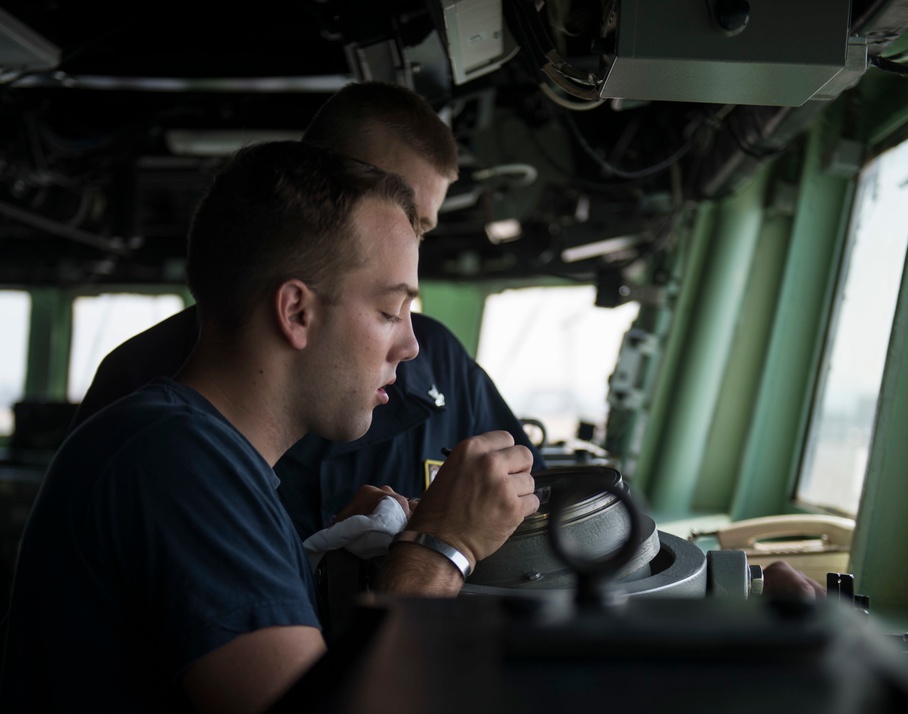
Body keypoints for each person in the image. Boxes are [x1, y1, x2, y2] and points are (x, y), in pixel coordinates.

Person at [0, 142, 539, 712]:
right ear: (296, 312)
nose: (409, 346)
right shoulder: (178, 464)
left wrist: (319, 560)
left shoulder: (203, 458)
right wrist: (440, 549)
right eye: (389, 312)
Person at [69, 81, 545, 540]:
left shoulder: (438, 362)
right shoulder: (150, 399)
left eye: (418, 225)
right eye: (382, 201)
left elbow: (531, 510)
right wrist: (440, 551)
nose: (403, 238)